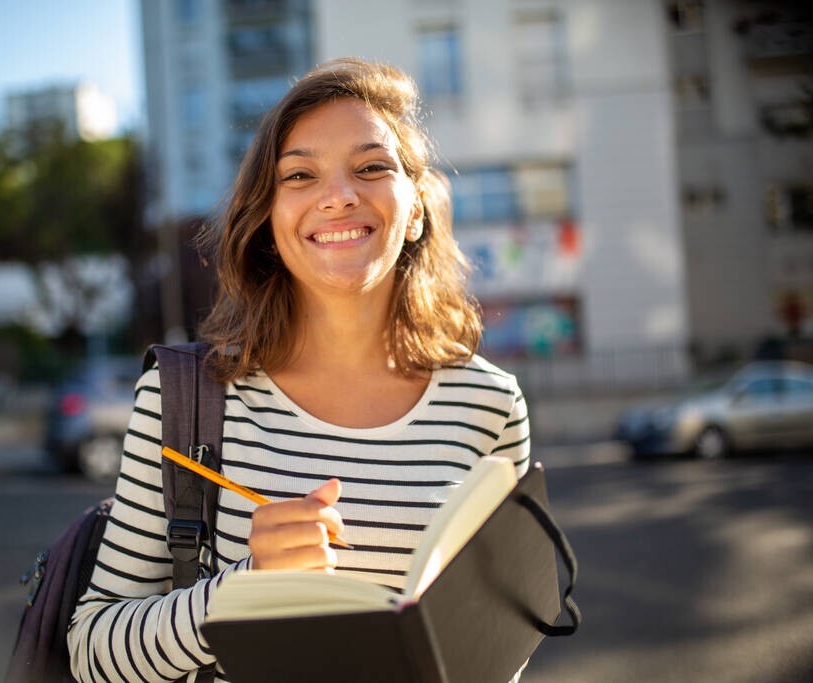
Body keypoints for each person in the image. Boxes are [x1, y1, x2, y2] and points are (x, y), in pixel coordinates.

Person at [67, 57, 531, 683]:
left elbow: (500, 642)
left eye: (371, 167)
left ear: (417, 208)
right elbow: (93, 651)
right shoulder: (184, 397)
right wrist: (246, 587)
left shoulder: (491, 405)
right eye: (300, 175)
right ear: (268, 219)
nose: (338, 196)